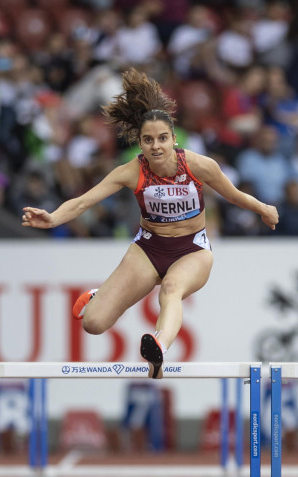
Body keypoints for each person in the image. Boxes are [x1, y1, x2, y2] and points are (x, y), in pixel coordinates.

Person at [22, 69, 279, 378]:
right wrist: (52, 218)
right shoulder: (132, 170)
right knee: (93, 323)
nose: (156, 146)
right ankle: (97, 296)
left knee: (171, 289)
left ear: (173, 138)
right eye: (148, 140)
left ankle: (159, 345)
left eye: (162, 139)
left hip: (191, 250)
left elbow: (234, 195)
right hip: (148, 249)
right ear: (139, 142)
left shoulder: (198, 165)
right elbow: (83, 201)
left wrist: (264, 209)